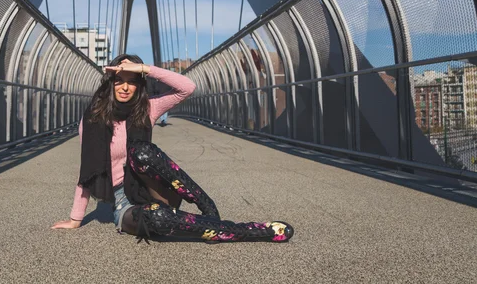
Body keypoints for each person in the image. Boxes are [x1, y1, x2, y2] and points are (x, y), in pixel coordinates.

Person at [51, 54, 294, 243]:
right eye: (119, 81)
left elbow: (187, 87)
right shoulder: (93, 119)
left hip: (152, 188)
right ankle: (243, 230)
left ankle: (206, 205)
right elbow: (87, 168)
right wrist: (75, 219)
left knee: (141, 153)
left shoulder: (147, 108)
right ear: (110, 83)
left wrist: (144, 69)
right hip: (122, 202)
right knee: (156, 218)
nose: (125, 87)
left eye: (132, 82)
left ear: (140, 85)